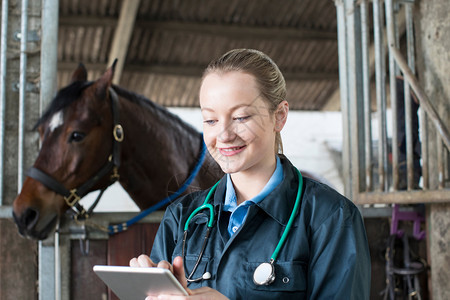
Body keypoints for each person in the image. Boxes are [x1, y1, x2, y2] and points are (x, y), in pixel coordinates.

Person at [130, 49, 371, 299]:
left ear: (279, 116)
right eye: (210, 120)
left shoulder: (331, 217)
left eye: (241, 117)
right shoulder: (181, 217)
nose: (223, 135)